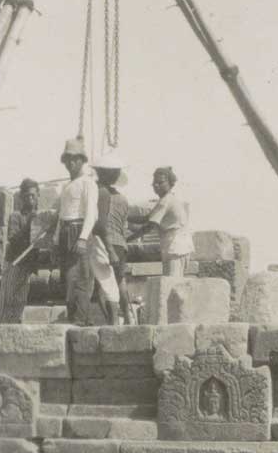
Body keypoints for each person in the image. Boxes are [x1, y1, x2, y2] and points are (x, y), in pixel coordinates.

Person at [56, 138, 99, 321]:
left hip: (79, 230)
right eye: (67, 159)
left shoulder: (88, 182)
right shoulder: (67, 186)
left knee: (82, 278)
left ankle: (82, 320)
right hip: (66, 231)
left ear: (82, 160)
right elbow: (62, 214)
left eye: (75, 159)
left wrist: (82, 238)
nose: (71, 163)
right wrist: (57, 236)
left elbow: (91, 213)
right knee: (69, 279)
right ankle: (73, 319)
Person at [128, 166, 192, 277]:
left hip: (176, 248)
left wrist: (128, 239)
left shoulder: (166, 201)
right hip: (177, 247)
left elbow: (149, 226)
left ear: (170, 183)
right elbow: (146, 218)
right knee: (171, 282)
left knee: (172, 283)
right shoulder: (167, 199)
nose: (156, 185)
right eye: (154, 182)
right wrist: (125, 216)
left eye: (160, 182)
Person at [92, 152, 131, 325]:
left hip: (103, 242)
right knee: (120, 281)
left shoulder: (97, 193)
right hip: (120, 244)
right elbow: (124, 225)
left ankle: (111, 320)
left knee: (102, 284)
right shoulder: (123, 199)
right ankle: (128, 318)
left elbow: (98, 224)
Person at [0, 178, 40, 322]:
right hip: (13, 263)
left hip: (27, 265)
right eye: (27, 195)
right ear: (22, 197)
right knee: (7, 299)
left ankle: (14, 329)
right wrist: (30, 224)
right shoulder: (16, 216)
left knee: (21, 301)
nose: (30, 199)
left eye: (33, 195)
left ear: (38, 195)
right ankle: (0, 329)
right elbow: (13, 239)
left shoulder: (41, 216)